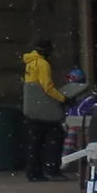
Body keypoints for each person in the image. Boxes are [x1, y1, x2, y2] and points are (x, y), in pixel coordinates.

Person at [22, 40, 66, 181]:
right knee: (54, 138)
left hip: (32, 108)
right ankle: (52, 170)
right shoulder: (43, 64)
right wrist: (63, 98)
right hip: (44, 110)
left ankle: (33, 171)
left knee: (34, 142)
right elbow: (47, 87)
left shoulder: (30, 63)